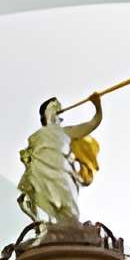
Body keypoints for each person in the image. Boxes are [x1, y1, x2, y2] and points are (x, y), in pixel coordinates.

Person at [15, 95, 104, 229]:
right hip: (40, 176)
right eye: (54, 106)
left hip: (62, 177)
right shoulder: (36, 137)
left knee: (69, 213)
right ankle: (49, 232)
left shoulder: (66, 132)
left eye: (59, 108)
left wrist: (97, 106)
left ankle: (68, 235)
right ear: (44, 112)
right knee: (46, 210)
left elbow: (93, 123)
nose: (58, 109)